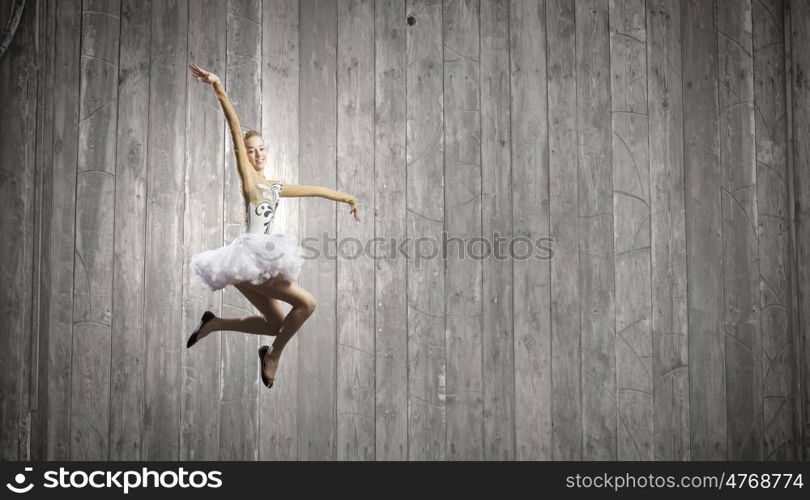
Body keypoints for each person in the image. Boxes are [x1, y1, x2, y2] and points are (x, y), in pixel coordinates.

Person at [185, 64, 360, 388]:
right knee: (306, 304)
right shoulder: (249, 178)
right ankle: (273, 356)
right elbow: (235, 130)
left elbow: (314, 190)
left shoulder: (275, 186)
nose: (257, 154)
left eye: (262, 149)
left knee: (276, 323)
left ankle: (213, 324)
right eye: (252, 152)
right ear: (246, 157)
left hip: (254, 260)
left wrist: (347, 198)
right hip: (249, 257)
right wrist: (218, 87)